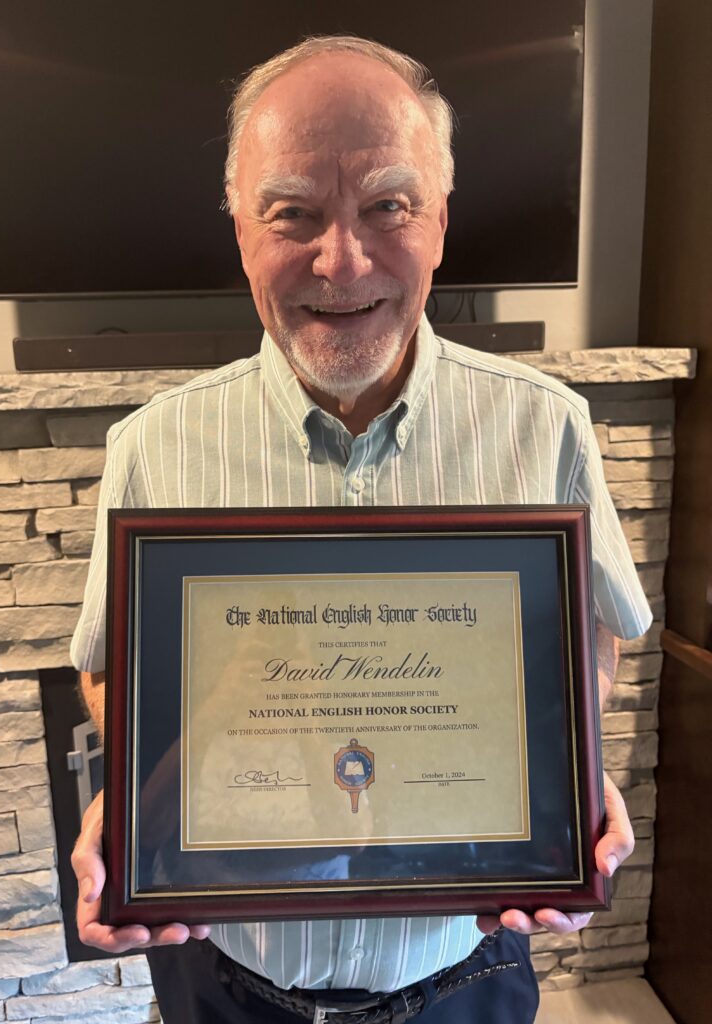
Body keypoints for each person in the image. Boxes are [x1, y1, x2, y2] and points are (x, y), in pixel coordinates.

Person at [70, 36, 652, 1023]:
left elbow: (591, 636)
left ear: (441, 220)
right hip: (227, 985)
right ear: (240, 228)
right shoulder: (152, 447)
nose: (342, 260)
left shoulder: (545, 426)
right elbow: (110, 675)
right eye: (292, 212)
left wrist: (566, 777)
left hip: (463, 980)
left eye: (388, 205)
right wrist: (135, 804)